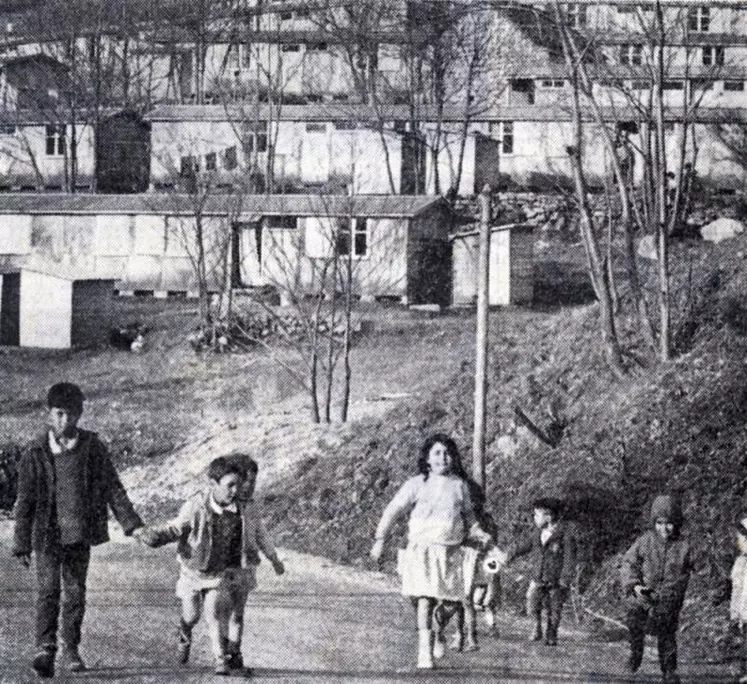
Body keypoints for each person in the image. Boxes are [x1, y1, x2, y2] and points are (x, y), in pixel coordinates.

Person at [12, 382, 146, 678]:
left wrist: (133, 525)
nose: (65, 421)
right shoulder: (34, 452)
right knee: (48, 591)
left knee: (74, 594)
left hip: (79, 535)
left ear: (80, 414)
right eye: (59, 414)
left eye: (71, 415)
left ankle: (71, 647)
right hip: (47, 535)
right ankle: (45, 648)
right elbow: (25, 501)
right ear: (48, 414)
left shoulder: (92, 447)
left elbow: (113, 488)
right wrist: (21, 542)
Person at [143, 455, 285, 676]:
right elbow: (176, 528)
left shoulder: (242, 508)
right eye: (230, 485)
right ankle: (184, 631)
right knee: (191, 616)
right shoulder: (196, 506)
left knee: (215, 614)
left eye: (238, 484)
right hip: (193, 571)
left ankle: (221, 659)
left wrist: (273, 558)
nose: (236, 490)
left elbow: (258, 532)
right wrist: (156, 536)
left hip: (218, 574)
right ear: (213, 484)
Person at [369, 434, 491, 669]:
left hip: (451, 551)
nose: (442, 457)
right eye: (437, 453)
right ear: (426, 458)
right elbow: (393, 510)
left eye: (447, 453)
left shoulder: (459, 485)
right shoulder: (416, 483)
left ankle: (438, 629)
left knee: (453, 601)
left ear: (453, 458)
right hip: (422, 550)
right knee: (424, 598)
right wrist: (380, 539)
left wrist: (480, 532)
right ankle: (424, 651)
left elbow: (469, 519)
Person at [620, 494, 693, 684]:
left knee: (667, 632)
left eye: (669, 523)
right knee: (635, 622)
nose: (664, 528)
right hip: (645, 592)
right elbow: (629, 563)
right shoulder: (645, 541)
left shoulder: (685, 546)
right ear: (654, 523)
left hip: (670, 596)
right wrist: (635, 585)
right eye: (659, 523)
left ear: (677, 523)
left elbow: (702, 568)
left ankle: (669, 669)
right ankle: (636, 654)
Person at [504, 497, 576, 646]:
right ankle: (536, 626)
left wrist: (565, 578)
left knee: (554, 609)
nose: (534, 518)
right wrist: (511, 555)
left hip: (556, 579)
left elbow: (569, 559)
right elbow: (525, 546)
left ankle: (551, 634)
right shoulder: (537, 533)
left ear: (548, 516)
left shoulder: (565, 535)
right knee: (532, 602)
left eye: (537, 515)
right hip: (538, 576)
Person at [730, 513, 747, 684]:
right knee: (740, 645)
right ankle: (741, 674)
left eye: (741, 539)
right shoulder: (740, 562)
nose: (739, 543)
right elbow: (735, 586)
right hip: (740, 613)